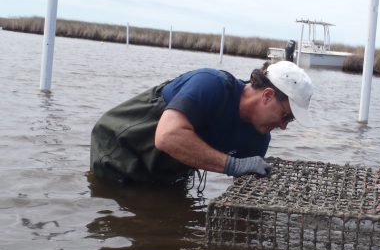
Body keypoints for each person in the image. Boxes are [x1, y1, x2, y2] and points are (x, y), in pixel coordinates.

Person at [90, 61, 313, 186]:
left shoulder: (258, 139)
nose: (284, 126)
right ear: (267, 95)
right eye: (285, 116)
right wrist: (232, 165)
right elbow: (167, 136)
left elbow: (242, 187)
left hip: (163, 177)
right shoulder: (211, 84)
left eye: (290, 121)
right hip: (118, 154)